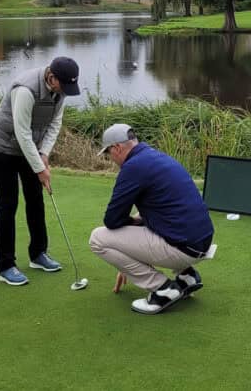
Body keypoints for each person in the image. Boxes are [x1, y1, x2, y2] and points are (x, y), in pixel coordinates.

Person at [89, 123, 215, 314]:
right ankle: (187, 276)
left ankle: (162, 289)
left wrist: (130, 230)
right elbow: (159, 208)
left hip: (183, 248)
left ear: (117, 148)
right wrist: (130, 241)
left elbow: (112, 220)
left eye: (108, 153)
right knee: (140, 220)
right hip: (201, 242)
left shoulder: (132, 167)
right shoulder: (156, 156)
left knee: (98, 238)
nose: (110, 158)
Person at [0, 56, 81, 286]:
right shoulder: (25, 89)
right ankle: (5, 266)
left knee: (36, 199)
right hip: (3, 146)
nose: (65, 91)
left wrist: (44, 155)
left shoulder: (61, 90)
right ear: (51, 77)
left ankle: (38, 254)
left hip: (30, 148)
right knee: (7, 204)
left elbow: (55, 124)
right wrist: (40, 169)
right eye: (63, 86)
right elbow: (22, 132)